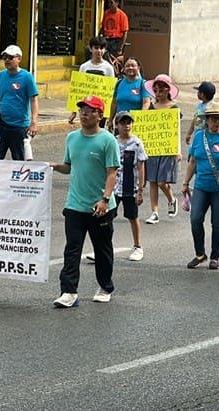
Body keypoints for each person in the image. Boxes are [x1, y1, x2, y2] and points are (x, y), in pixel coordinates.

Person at [50, 96, 120, 308]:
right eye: (82, 110)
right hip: (74, 205)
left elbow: (112, 173)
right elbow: (68, 166)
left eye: (89, 111)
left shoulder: (108, 140)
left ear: (100, 115)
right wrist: (52, 166)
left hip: (100, 206)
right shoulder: (72, 138)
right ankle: (69, 291)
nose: (84, 114)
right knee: (72, 249)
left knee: (102, 249)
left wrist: (105, 199)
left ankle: (105, 286)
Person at [181, 102, 219, 270]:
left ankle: (215, 256)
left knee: (217, 223)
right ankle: (200, 253)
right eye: (214, 119)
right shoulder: (199, 136)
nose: (217, 123)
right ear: (207, 120)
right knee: (195, 219)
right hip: (201, 186)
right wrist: (185, 182)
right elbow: (193, 161)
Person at [0, 45, 39, 160]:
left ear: (18, 59)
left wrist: (34, 122)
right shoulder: (1, 75)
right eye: (5, 57)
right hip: (1, 124)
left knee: (19, 161)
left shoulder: (27, 77)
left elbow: (33, 100)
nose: (7, 60)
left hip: (19, 127)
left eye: (10, 57)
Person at [144, 74, 181, 224]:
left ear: (168, 90)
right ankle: (154, 212)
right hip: (153, 147)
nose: (158, 93)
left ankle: (171, 199)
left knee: (161, 182)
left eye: (161, 90)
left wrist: (177, 149)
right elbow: (145, 126)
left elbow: (176, 130)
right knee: (152, 180)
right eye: (156, 90)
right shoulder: (151, 106)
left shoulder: (174, 107)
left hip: (167, 147)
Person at [113, 111, 147, 260]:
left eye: (129, 123)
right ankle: (103, 246)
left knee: (133, 216)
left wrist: (140, 190)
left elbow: (140, 166)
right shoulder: (112, 142)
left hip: (130, 186)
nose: (126, 126)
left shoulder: (137, 143)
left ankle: (138, 246)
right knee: (107, 217)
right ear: (117, 125)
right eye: (123, 123)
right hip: (113, 186)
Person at [68, 36, 116, 125]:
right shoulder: (84, 67)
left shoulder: (108, 68)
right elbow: (77, 91)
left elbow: (111, 92)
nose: (99, 51)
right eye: (96, 48)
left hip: (101, 109)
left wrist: (109, 116)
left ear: (105, 50)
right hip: (86, 108)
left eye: (101, 48)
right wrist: (73, 112)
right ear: (90, 49)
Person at [110, 57, 151, 123]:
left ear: (138, 68)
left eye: (133, 65)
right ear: (124, 69)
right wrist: (110, 120)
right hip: (120, 123)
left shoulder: (143, 84)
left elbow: (146, 103)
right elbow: (114, 103)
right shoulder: (119, 83)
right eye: (127, 66)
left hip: (135, 123)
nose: (130, 68)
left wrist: (140, 118)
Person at [185, 81, 216, 146]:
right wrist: (189, 133)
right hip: (198, 136)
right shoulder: (199, 105)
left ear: (202, 94)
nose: (197, 94)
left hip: (207, 138)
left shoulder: (211, 107)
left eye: (198, 92)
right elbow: (195, 120)